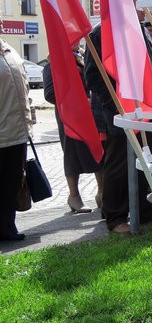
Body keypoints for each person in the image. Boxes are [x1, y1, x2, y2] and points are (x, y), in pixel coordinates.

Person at [84, 18, 152, 234]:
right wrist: (116, 105)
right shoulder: (101, 32)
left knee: (142, 162)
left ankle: (142, 209)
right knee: (119, 164)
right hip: (119, 112)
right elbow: (93, 76)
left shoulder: (139, 27)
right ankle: (115, 216)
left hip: (144, 110)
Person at [43, 43, 102, 213]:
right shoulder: (53, 63)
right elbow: (50, 94)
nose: (76, 42)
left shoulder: (83, 57)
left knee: (98, 152)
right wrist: (79, 102)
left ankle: (102, 193)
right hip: (69, 117)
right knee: (72, 156)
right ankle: (74, 196)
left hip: (91, 115)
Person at [0, 38, 31, 241]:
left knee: (12, 183)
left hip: (18, 132)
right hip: (2, 132)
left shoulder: (10, 51)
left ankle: (7, 227)